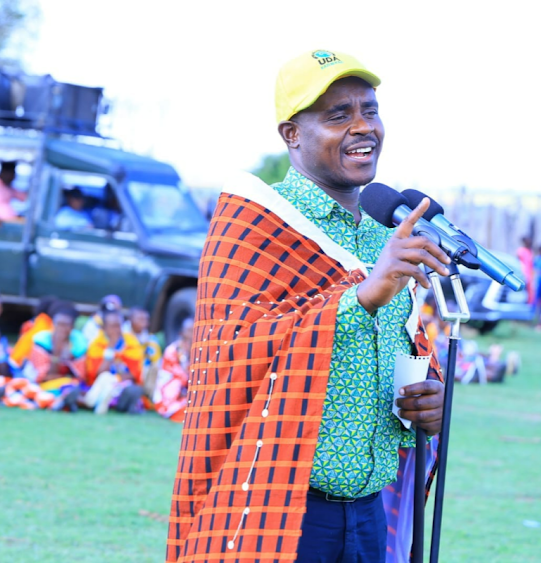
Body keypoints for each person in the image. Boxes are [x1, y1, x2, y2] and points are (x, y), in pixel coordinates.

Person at [166, 50, 448, 563]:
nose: (363, 127)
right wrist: (363, 294)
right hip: (282, 511)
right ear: (291, 134)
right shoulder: (256, 224)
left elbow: (398, 347)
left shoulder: (384, 233)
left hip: (369, 512)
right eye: (338, 115)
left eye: (370, 109)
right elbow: (237, 350)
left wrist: (429, 398)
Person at [85, 308, 145, 414]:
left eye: (119, 326)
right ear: (104, 328)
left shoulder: (131, 342)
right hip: (100, 384)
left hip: (122, 385)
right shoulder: (97, 344)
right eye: (113, 326)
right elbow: (97, 374)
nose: (116, 330)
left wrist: (116, 379)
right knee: (104, 379)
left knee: (133, 390)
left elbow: (134, 374)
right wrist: (110, 348)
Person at [152, 317, 192, 422]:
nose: (192, 334)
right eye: (189, 331)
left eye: (194, 330)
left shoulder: (196, 350)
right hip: (170, 393)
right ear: (181, 333)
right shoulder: (172, 350)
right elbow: (181, 377)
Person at [517, 236, 534, 304]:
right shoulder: (520, 250)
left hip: (530, 273)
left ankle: (529, 305)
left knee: (530, 290)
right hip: (522, 272)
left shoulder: (530, 251)